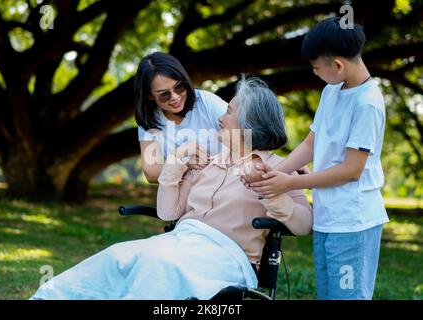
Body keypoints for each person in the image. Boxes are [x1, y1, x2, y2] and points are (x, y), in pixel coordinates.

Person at [30, 77, 312, 300]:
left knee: (157, 263)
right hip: (182, 242)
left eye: (229, 111)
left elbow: (303, 225)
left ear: (249, 122)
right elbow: (168, 213)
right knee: (120, 255)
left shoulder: (279, 169)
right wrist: (177, 161)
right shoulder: (208, 162)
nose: (220, 117)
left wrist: (271, 189)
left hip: (226, 256)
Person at [242, 17, 388, 300]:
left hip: (353, 222)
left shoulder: (367, 103)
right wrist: (272, 174)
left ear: (337, 65)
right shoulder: (331, 91)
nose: (315, 73)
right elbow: (311, 144)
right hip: (328, 218)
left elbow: (351, 170)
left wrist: (290, 184)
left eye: (316, 68)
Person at [135, 51, 227, 183]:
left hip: (223, 182)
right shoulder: (149, 120)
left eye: (179, 87)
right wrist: (183, 162)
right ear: (150, 95)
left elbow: (242, 138)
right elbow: (151, 173)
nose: (175, 97)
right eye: (164, 94)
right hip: (186, 191)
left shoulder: (207, 102)